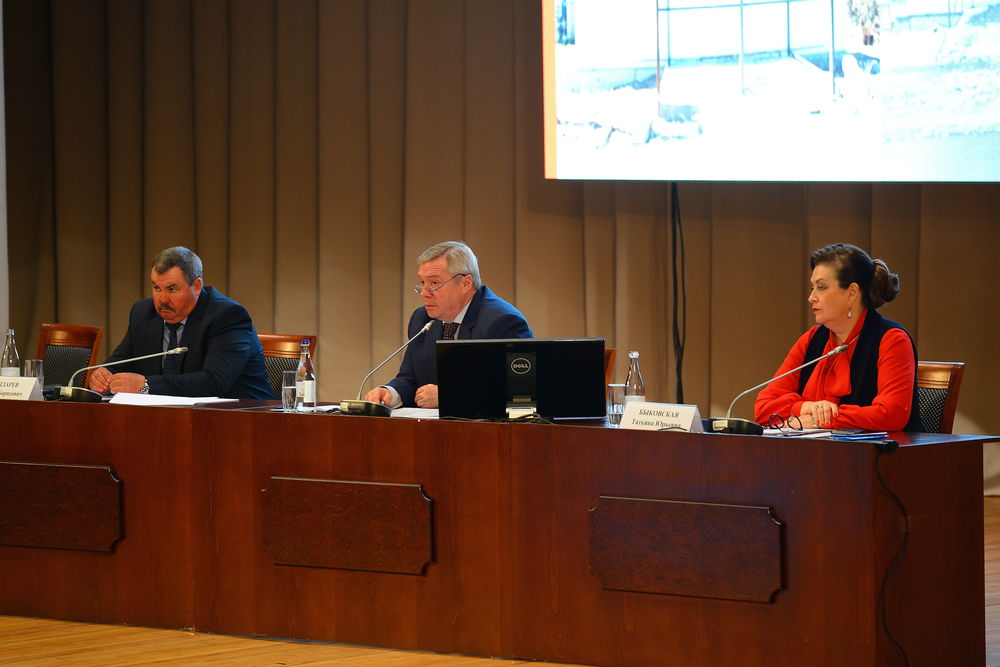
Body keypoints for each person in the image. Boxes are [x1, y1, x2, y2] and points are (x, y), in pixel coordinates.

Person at [754, 243, 922, 431]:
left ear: (851, 293)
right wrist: (805, 408)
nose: (811, 297)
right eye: (812, 287)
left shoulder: (892, 340)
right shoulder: (811, 340)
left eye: (821, 287)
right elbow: (763, 407)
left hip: (879, 449)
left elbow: (891, 415)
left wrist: (822, 420)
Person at [89, 246, 275, 399]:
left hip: (245, 418)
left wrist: (146, 385)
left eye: (171, 289)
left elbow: (214, 382)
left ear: (196, 286)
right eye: (156, 288)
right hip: (172, 418)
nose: (162, 300)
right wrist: (103, 375)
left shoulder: (227, 316)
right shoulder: (143, 313)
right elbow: (123, 361)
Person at [365, 241, 533, 409]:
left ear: (465, 283)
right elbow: (411, 379)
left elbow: (521, 393)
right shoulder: (422, 319)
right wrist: (391, 393)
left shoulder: (503, 321)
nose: (424, 293)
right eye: (422, 283)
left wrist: (450, 395)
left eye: (434, 283)